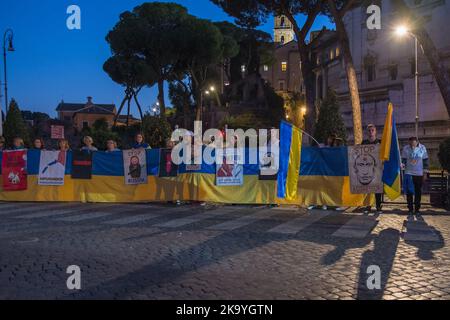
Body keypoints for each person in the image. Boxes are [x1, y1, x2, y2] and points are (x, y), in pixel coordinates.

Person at [402, 137, 429, 216]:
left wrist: (425, 173)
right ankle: (410, 209)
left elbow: (425, 161)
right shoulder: (405, 148)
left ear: (417, 142)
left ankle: (417, 209)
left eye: (413, 143)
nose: (412, 145)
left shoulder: (422, 148)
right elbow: (403, 160)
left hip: (419, 174)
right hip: (408, 173)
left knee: (418, 192)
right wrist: (402, 166)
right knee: (409, 192)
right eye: (410, 143)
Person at [361, 124, 383, 214]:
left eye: (372, 130)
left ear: (375, 131)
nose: (371, 132)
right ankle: (368, 206)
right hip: (367, 169)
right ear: (367, 132)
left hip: (377, 169)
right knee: (367, 188)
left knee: (377, 188)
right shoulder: (364, 143)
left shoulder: (380, 142)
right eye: (369, 131)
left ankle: (378, 206)